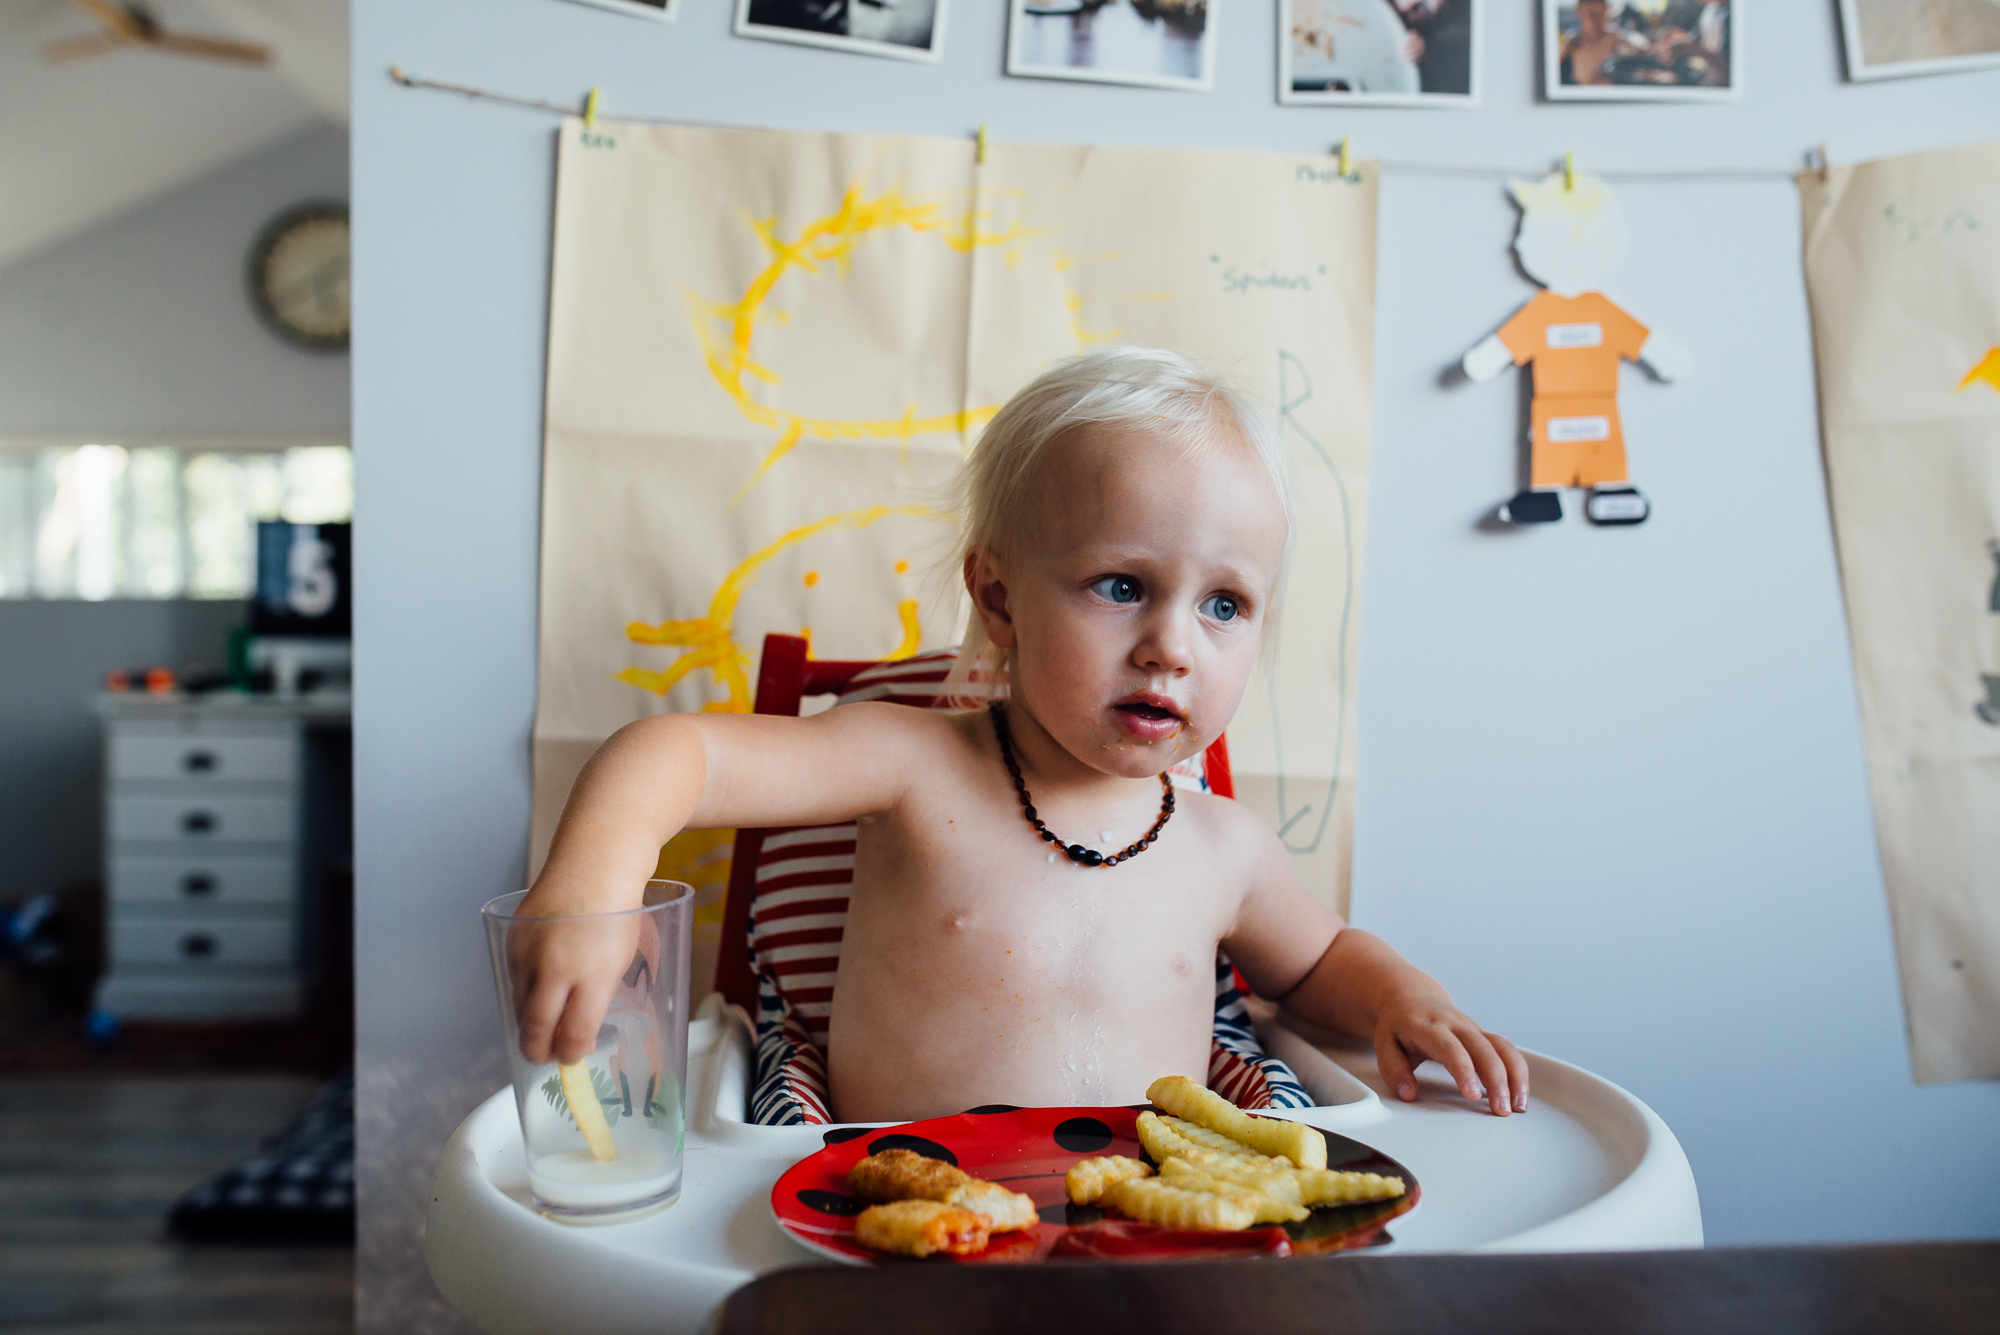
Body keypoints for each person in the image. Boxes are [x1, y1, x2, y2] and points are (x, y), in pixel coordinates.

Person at [514, 347, 1528, 1123]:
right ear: (998, 599)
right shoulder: (912, 762)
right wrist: (592, 887)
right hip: (902, 1219)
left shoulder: (1226, 847)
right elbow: (678, 758)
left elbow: (1315, 968)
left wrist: (1404, 999)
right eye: (1121, 587)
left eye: (1225, 605)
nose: (1171, 646)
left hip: (1155, 1227)